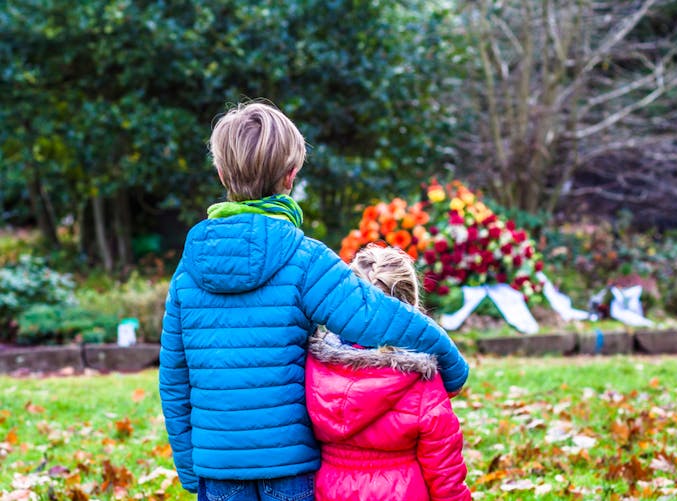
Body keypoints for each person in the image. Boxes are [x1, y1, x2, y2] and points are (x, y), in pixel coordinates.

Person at [158, 101, 469, 501]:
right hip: (290, 465)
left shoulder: (189, 268)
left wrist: (189, 464)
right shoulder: (304, 258)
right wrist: (449, 362)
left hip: (217, 466)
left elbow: (174, 376)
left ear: (220, 173)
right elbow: (375, 317)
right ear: (291, 176)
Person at [306, 244, 471, 501]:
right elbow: (444, 472)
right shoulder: (422, 381)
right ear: (410, 308)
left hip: (327, 489)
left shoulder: (314, 368)